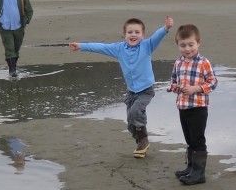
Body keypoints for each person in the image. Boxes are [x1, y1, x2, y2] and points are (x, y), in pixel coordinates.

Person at [69, 15, 174, 157]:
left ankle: (143, 140)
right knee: (130, 120)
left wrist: (166, 28)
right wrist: (81, 46)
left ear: (142, 35)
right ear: (125, 35)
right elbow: (101, 47)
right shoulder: (119, 49)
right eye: (130, 32)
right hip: (131, 92)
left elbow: (157, 37)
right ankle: (140, 142)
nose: (133, 35)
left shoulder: (147, 46)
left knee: (136, 111)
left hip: (146, 90)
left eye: (137, 32)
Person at [167, 23, 218, 186]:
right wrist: (175, 87)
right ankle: (190, 168)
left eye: (191, 44)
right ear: (178, 45)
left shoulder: (203, 62)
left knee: (197, 139)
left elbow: (213, 82)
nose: (187, 49)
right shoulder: (178, 63)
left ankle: (199, 173)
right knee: (189, 139)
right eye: (183, 45)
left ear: (198, 43)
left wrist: (196, 88)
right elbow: (173, 81)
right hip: (183, 107)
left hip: (198, 107)